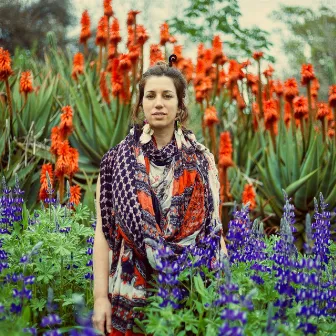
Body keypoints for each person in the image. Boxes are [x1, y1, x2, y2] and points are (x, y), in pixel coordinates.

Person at [92, 55, 228, 336]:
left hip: (189, 292)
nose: (158, 103)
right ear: (141, 104)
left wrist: (222, 296)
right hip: (129, 294)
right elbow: (103, 235)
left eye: (168, 96)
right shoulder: (116, 162)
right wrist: (99, 299)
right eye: (150, 95)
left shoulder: (201, 161)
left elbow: (214, 232)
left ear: (180, 106)